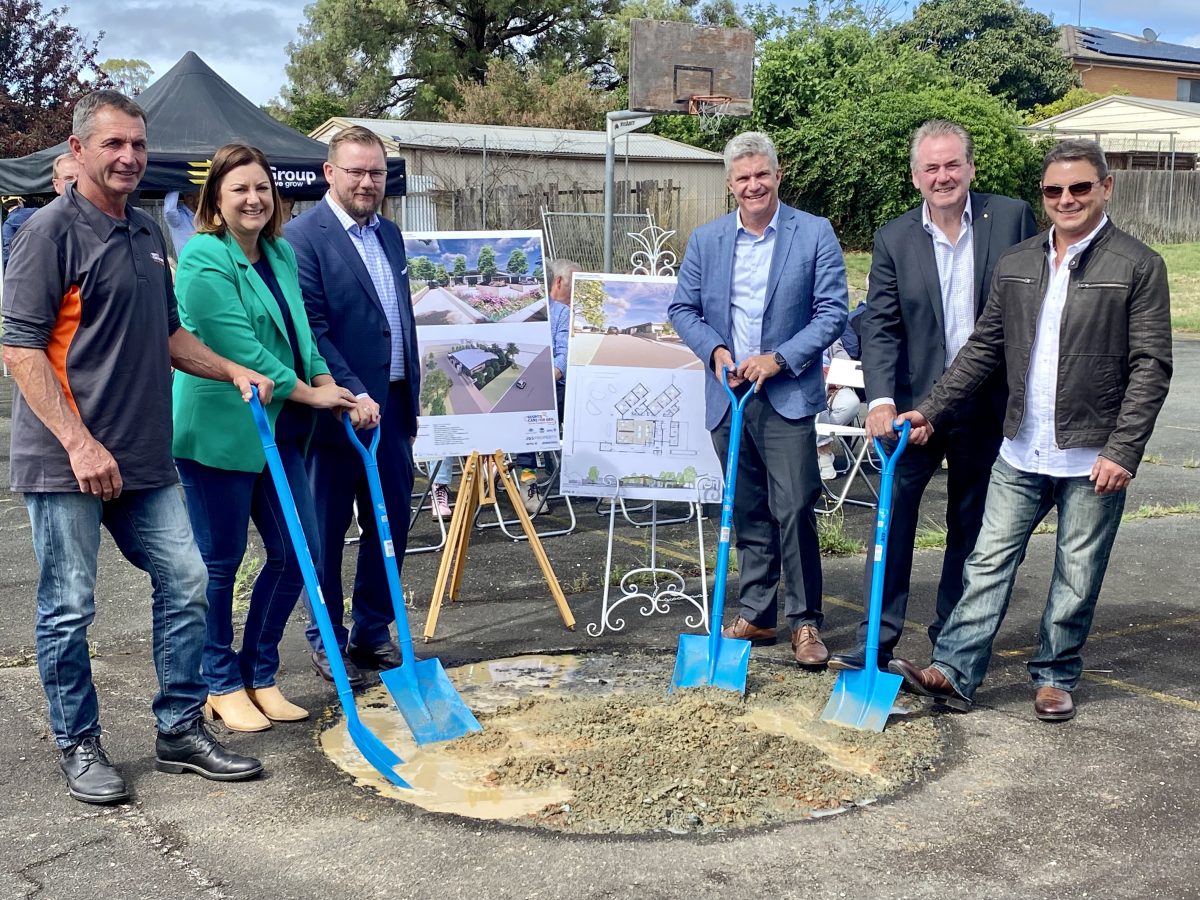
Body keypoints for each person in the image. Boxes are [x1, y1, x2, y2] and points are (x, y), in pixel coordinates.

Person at [1, 90, 271, 804]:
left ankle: (180, 729)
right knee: (69, 607)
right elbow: (21, 349)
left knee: (187, 580)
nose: (128, 158)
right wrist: (79, 443)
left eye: (138, 146)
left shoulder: (149, 232)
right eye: (114, 144)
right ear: (80, 148)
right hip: (69, 462)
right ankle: (78, 742)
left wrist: (233, 367)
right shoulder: (48, 232)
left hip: (145, 459)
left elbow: (172, 336)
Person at [888, 139, 1172, 722]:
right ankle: (955, 669)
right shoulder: (1018, 261)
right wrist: (932, 409)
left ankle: (1055, 674)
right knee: (987, 561)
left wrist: (1124, 449)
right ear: (1042, 197)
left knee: (1076, 569)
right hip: (1020, 446)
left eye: (1080, 188)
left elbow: (1151, 366)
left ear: (1105, 188)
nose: (1066, 199)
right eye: (1054, 190)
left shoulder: (1138, 265)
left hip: (1093, 454)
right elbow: (983, 347)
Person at [830, 121, 1038, 672]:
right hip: (910, 410)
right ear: (915, 177)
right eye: (931, 168)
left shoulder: (1013, 218)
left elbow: (1029, 314)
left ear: (970, 168)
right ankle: (875, 640)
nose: (943, 176)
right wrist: (879, 401)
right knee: (891, 522)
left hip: (986, 406)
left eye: (952, 165)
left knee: (969, 530)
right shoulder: (895, 237)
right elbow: (880, 327)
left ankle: (951, 648)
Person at [172, 143, 358, 731]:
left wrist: (327, 381)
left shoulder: (278, 252)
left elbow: (302, 333)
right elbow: (236, 350)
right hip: (221, 431)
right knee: (220, 563)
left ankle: (260, 673)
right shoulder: (204, 258)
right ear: (216, 202)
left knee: (295, 554)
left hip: (281, 431)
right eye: (239, 190)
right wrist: (309, 394)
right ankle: (219, 683)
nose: (253, 199)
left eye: (261, 188)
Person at [668, 131, 848, 666]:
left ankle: (806, 622)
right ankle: (758, 613)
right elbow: (683, 309)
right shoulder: (707, 240)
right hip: (729, 394)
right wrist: (716, 350)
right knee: (745, 508)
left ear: (777, 174)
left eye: (761, 175)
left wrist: (781, 359)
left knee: (793, 506)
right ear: (730, 184)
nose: (753, 185)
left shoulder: (813, 233)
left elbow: (833, 311)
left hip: (785, 393)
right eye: (743, 178)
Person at [285, 126, 420, 687]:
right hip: (334, 412)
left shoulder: (388, 233)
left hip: (390, 407)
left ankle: (372, 629)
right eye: (357, 172)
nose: (368, 182)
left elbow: (398, 321)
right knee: (327, 530)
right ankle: (327, 638)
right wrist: (349, 393)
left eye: (377, 173)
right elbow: (312, 330)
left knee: (388, 526)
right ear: (330, 174)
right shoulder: (302, 238)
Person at [511, 257, 577, 514]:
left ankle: (594, 480)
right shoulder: (519, 313)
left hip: (552, 382)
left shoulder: (560, 313)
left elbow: (565, 351)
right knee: (529, 401)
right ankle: (528, 479)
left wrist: (555, 371)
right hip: (521, 385)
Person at [163, 189, 199, 255]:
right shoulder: (179, 218)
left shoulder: (202, 217)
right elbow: (169, 211)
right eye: (199, 196)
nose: (204, 200)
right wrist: (177, 184)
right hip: (190, 263)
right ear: (190, 199)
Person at [2, 195, 35, 263]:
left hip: (24, 262)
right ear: (19, 201)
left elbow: (8, 251)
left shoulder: (7, 225)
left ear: (5, 207)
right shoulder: (36, 211)